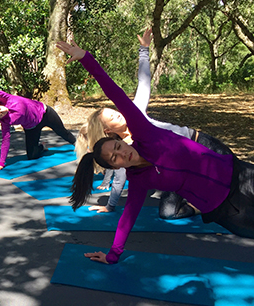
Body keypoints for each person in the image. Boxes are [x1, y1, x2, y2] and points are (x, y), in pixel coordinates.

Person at [57, 40, 254, 265]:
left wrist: (86, 59)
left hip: (239, 175)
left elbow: (115, 93)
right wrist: (113, 255)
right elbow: (127, 218)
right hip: (225, 209)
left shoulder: (145, 133)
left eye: (119, 147)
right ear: (115, 168)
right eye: (115, 158)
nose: (122, 154)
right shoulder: (139, 181)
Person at [74, 29, 233, 219]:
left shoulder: (136, 115)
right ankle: (207, 205)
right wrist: (110, 205)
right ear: (108, 130)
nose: (119, 115)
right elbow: (121, 178)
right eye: (114, 118)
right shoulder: (124, 149)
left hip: (198, 143)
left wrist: (144, 50)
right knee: (169, 211)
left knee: (236, 174)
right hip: (179, 172)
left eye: (116, 112)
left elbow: (143, 82)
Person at [0, 80, 76, 169]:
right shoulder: (6, 122)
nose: (3, 110)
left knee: (63, 133)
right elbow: (5, 141)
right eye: (1, 114)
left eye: (0, 108)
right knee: (32, 156)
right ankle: (42, 146)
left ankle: (81, 146)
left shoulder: (6, 98)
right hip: (32, 127)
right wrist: (1, 163)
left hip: (46, 114)